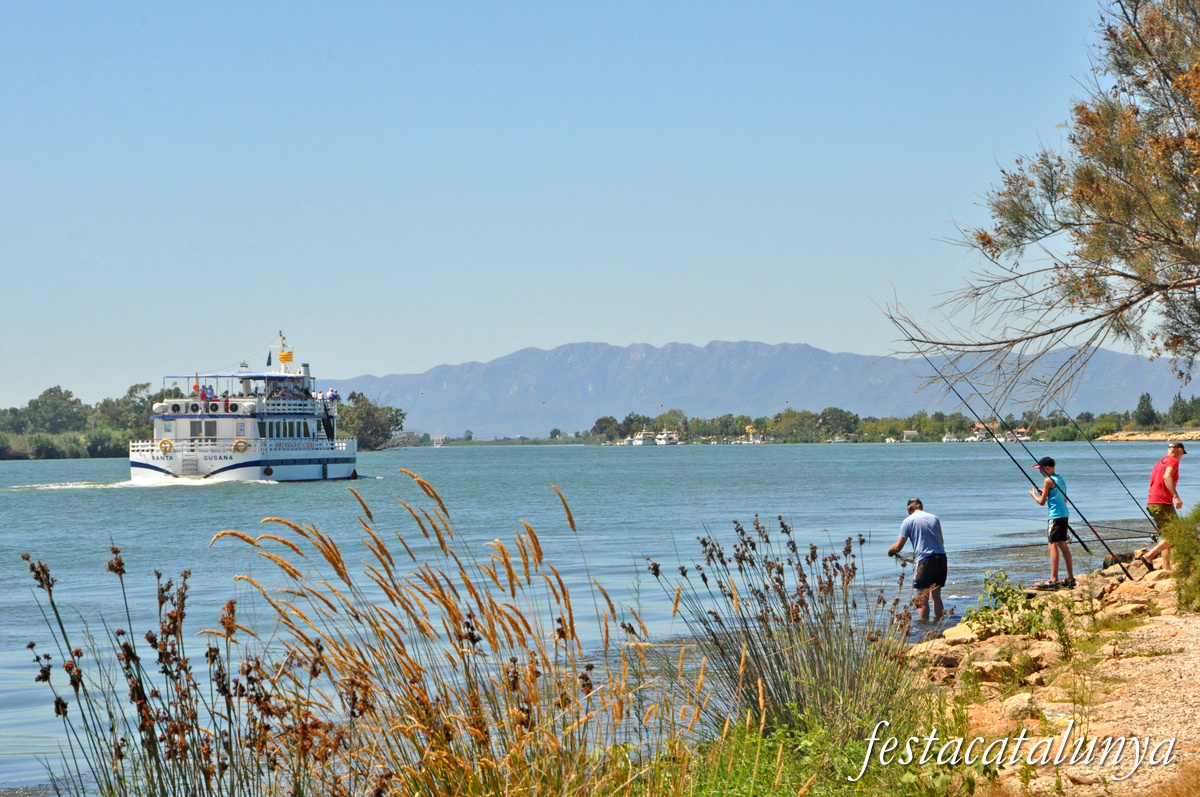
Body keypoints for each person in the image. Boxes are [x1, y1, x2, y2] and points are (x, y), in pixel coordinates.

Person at [888, 497, 947, 621]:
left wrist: (890, 551)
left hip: (925, 560)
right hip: (941, 558)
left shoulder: (908, 521)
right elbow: (941, 541)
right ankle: (939, 624)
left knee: (922, 598)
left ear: (909, 508)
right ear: (921, 506)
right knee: (936, 596)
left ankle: (923, 627)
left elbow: (898, 547)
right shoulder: (935, 518)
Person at [1140, 441, 1187, 571]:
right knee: (1176, 533)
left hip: (1152, 502)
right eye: (1182, 454)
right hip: (1162, 503)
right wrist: (1176, 496)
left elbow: (1150, 486)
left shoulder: (1159, 463)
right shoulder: (1173, 461)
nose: (1181, 457)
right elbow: (1167, 477)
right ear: (1179, 450)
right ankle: (1149, 556)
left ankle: (1167, 568)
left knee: (1167, 535)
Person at [1030, 456, 1074, 589]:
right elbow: (1064, 499)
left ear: (1047, 468)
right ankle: (1070, 577)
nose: (1040, 472)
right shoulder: (1060, 479)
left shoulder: (1047, 480)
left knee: (1052, 545)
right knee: (1063, 544)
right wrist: (1047, 493)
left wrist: (1034, 495)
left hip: (1055, 516)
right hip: (1064, 514)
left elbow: (1041, 502)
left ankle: (1053, 579)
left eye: (1041, 469)